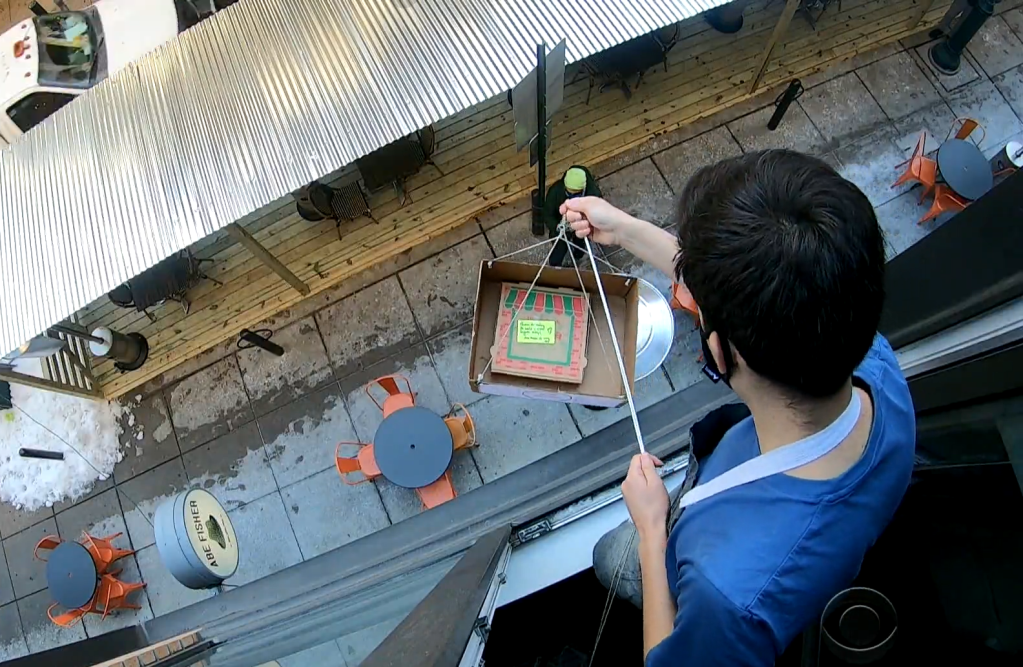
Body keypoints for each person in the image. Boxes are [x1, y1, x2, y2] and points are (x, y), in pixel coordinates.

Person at [561, 150, 915, 666]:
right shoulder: (873, 363)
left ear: (720, 352)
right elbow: (765, 291)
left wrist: (652, 530)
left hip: (683, 562)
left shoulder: (726, 597)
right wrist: (629, 231)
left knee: (611, 560)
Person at [542, 165, 602, 267]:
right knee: (558, 249)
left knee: (580, 245)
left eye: (576, 194)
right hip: (561, 229)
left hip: (581, 228)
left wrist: (586, 222)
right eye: (569, 194)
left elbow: (598, 214)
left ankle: (578, 255)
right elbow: (548, 214)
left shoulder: (593, 196)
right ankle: (554, 267)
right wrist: (556, 226)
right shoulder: (555, 192)